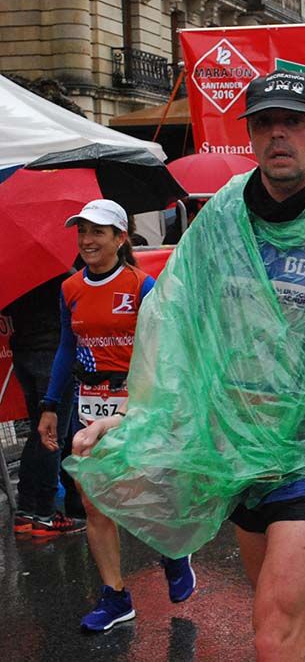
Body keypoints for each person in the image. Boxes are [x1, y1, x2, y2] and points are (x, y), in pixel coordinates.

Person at [68, 70, 305, 660]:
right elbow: (184, 337)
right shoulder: (224, 218)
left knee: (274, 634)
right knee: (303, 620)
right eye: (265, 122)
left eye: (294, 122)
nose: (278, 134)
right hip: (242, 448)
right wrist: (135, 420)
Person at [38, 199, 196, 631]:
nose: (87, 240)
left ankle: (174, 551)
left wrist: (142, 403)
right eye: (81, 232)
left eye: (97, 232)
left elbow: (163, 351)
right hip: (89, 402)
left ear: (120, 237)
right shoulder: (70, 288)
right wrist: (50, 404)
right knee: (94, 502)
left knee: (147, 489)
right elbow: (67, 348)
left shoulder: (143, 286)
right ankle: (115, 596)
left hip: (138, 403)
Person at [3, 274, 84, 536]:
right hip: (53, 356)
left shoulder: (12, 273)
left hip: (24, 353)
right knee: (52, 437)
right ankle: (45, 514)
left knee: (38, 434)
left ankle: (27, 510)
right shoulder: (59, 275)